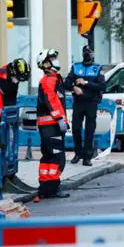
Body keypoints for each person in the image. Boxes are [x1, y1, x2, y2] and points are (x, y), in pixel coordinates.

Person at [36, 49, 70, 199]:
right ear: (46, 64)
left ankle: (45, 188)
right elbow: (51, 100)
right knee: (57, 158)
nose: (56, 60)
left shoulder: (53, 78)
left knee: (48, 157)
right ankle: (53, 188)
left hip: (47, 126)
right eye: (52, 58)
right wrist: (59, 118)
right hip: (52, 125)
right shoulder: (50, 79)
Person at [64, 45, 106, 166]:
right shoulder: (76, 67)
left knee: (89, 130)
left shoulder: (97, 68)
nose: (87, 54)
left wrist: (86, 83)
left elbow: (102, 86)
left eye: (89, 52)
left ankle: (87, 156)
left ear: (93, 54)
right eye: (85, 52)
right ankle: (78, 153)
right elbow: (66, 83)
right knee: (76, 129)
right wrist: (74, 87)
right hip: (78, 102)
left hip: (91, 102)